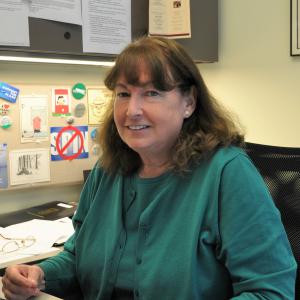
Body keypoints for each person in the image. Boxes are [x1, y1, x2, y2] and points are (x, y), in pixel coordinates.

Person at [2, 36, 297, 300]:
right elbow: (77, 257)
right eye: (123, 93)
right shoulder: (108, 170)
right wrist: (40, 275)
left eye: (152, 93)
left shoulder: (227, 173)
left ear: (189, 103)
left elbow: (272, 292)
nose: (132, 110)